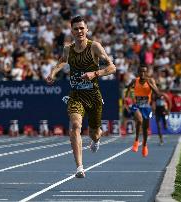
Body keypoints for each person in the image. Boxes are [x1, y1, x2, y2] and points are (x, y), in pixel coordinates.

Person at [45, 16, 116, 178]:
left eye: (81, 28)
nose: (79, 31)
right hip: (76, 95)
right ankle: (79, 167)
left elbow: (112, 67)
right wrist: (53, 73)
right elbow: (62, 61)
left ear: (87, 30)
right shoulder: (68, 49)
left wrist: (95, 73)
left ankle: (96, 139)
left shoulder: (95, 47)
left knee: (94, 133)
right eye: (76, 29)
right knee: (76, 125)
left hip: (93, 96)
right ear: (72, 31)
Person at [125, 66, 161, 157]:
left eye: (144, 72)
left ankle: (144, 145)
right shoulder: (135, 81)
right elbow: (128, 88)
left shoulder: (151, 81)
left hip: (147, 107)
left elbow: (158, 93)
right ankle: (136, 141)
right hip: (137, 105)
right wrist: (126, 97)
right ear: (138, 72)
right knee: (139, 120)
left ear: (147, 72)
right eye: (141, 72)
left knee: (145, 128)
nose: (142, 74)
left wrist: (150, 85)